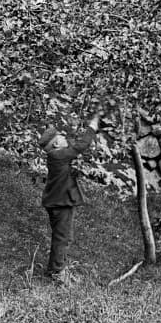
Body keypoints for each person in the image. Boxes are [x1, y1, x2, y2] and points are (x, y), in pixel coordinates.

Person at [38, 111, 101, 284]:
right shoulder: (60, 155)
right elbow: (81, 145)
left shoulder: (55, 155)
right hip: (60, 203)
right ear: (57, 143)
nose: (65, 139)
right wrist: (92, 126)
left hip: (56, 201)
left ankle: (55, 268)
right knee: (62, 237)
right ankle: (58, 272)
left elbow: (73, 144)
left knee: (62, 236)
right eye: (62, 137)